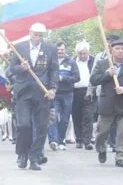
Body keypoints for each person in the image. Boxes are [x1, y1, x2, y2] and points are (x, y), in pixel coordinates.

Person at [9, 22, 58, 171]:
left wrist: (53, 88)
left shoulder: (50, 49)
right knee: (24, 125)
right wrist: (21, 68)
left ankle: (34, 157)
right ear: (30, 33)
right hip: (23, 92)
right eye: (36, 34)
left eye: (41, 35)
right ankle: (22, 153)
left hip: (42, 93)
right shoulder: (19, 47)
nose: (38, 37)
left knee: (42, 127)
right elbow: (12, 68)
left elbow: (54, 71)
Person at [90, 39, 123, 167]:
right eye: (117, 48)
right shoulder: (102, 64)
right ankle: (101, 149)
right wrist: (107, 74)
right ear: (111, 50)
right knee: (102, 132)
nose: (120, 51)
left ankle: (120, 157)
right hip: (107, 103)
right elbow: (94, 80)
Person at [47, 42, 80, 151]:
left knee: (65, 119)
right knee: (53, 117)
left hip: (67, 94)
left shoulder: (71, 62)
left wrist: (63, 78)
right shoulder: (50, 61)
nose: (60, 51)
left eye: (62, 49)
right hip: (54, 93)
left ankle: (61, 141)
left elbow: (77, 77)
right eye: (58, 50)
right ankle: (54, 141)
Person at [71, 40, 97, 150]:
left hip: (89, 91)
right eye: (80, 53)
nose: (82, 55)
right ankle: (79, 139)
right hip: (75, 91)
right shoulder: (72, 61)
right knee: (76, 116)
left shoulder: (94, 61)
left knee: (88, 116)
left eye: (84, 53)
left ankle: (87, 141)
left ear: (88, 52)